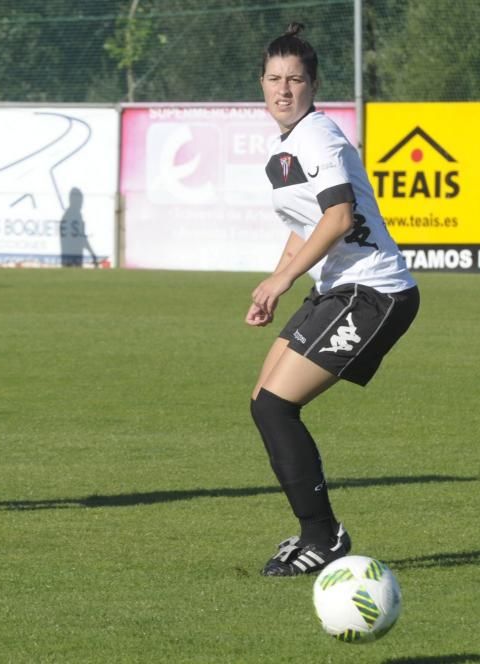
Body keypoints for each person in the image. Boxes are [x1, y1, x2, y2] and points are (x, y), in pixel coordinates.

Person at [247, 24, 419, 576]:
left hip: (375, 291)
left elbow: (339, 218)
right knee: (263, 402)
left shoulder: (317, 137)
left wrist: (280, 283)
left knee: (276, 406)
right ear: (262, 83)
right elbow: (306, 225)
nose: (283, 88)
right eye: (274, 78)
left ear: (313, 85)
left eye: (295, 79)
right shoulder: (287, 145)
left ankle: (324, 537)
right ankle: (317, 531)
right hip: (339, 288)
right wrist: (275, 284)